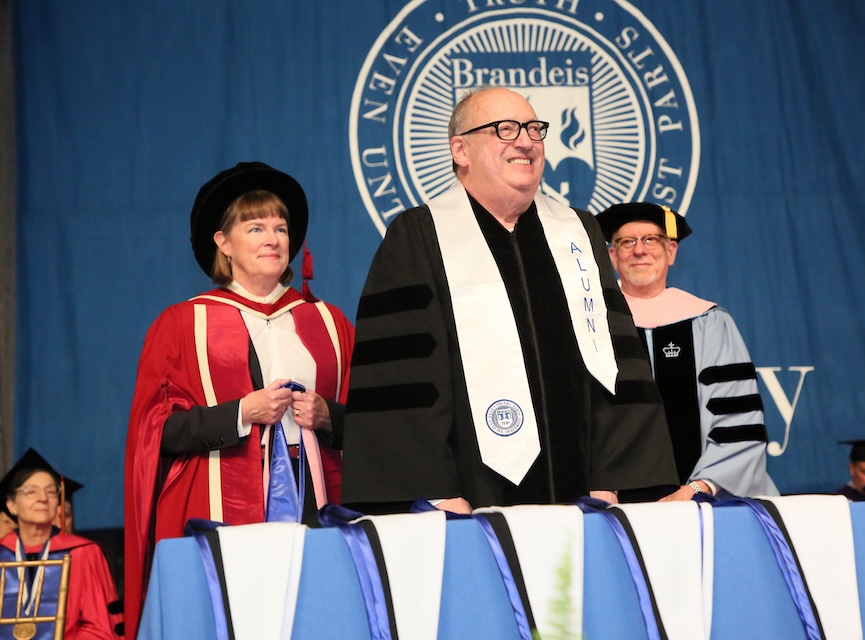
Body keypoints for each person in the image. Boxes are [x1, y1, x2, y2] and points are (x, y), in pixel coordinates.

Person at [341, 87, 680, 514]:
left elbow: (616, 364)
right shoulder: (419, 236)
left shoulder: (578, 232)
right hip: (471, 503)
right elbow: (402, 380)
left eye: (534, 129)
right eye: (504, 129)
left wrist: (613, 477)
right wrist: (435, 491)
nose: (525, 141)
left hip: (587, 501)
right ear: (460, 150)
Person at [124, 162, 354, 636]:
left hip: (318, 501)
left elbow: (377, 422)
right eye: (255, 227)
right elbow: (156, 431)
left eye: (281, 227)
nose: (272, 238)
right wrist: (240, 414)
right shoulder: (184, 324)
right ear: (223, 243)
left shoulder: (329, 323)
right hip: (216, 503)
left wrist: (328, 414)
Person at [594, 202, 778, 498]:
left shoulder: (709, 322)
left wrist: (698, 488)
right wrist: (597, 485)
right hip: (611, 501)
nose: (639, 250)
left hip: (697, 502)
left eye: (651, 240)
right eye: (627, 242)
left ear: (671, 252)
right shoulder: (591, 324)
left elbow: (739, 423)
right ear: (612, 256)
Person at [0, 449, 122, 639]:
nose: (43, 498)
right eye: (31, 491)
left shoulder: (84, 553)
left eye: (51, 491)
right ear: (11, 505)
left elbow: (100, 626)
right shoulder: (2, 553)